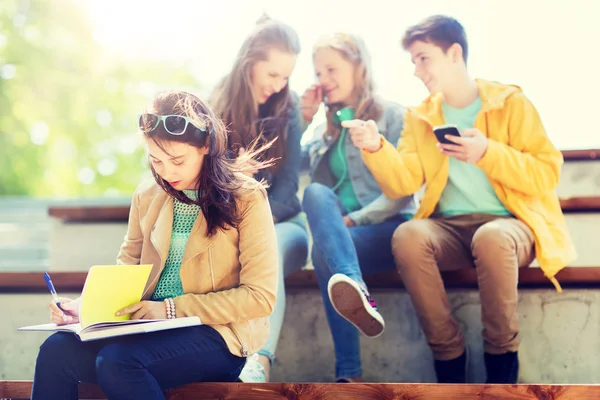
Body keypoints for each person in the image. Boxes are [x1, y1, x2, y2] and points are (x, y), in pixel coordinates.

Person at [355, 15, 576, 383]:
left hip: (509, 224)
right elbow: (403, 183)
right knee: (408, 236)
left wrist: (487, 152)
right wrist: (377, 147)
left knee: (491, 237)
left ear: (454, 53)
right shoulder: (421, 117)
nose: (416, 70)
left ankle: (502, 359)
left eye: (423, 58)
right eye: (413, 61)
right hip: (450, 229)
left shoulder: (511, 103)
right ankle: (449, 355)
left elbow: (546, 173)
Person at [31, 91, 279, 399]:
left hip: (219, 335)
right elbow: (125, 273)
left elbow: (259, 297)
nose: (166, 172)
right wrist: (85, 310)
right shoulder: (147, 196)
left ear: (206, 145)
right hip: (145, 331)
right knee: (56, 351)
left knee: (119, 362)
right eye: (156, 160)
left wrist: (169, 309)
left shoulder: (247, 198)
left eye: (177, 160)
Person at [300, 32, 418, 382]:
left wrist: (354, 219)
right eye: (318, 73)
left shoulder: (394, 116)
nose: (324, 80)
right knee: (317, 195)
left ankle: (347, 372)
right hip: (345, 240)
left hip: (389, 230)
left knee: (325, 253)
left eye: (331, 69)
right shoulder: (323, 132)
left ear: (358, 66)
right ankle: (353, 289)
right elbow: (288, 174)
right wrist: (303, 120)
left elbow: (403, 192)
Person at [212, 16, 309, 383]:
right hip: (231, 229)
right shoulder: (217, 104)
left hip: (285, 228)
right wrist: (233, 176)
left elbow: (287, 191)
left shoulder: (290, 107)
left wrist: (252, 220)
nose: (279, 84)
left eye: (286, 76)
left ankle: (260, 360)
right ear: (249, 61)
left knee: (266, 246)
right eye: (272, 74)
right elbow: (202, 184)